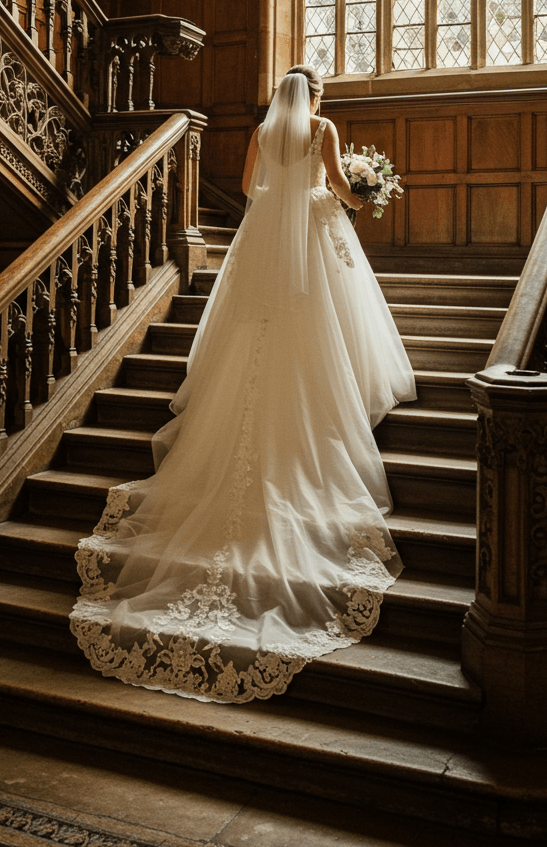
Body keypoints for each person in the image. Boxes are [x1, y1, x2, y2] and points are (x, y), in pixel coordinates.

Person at [70, 65, 417, 703]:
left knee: (253, 330)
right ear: (313, 97)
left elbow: (248, 185)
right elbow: (337, 185)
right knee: (321, 324)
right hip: (310, 239)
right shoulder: (324, 127)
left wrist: (291, 193)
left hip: (260, 244)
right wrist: (361, 191)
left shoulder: (262, 130)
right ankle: (321, 417)